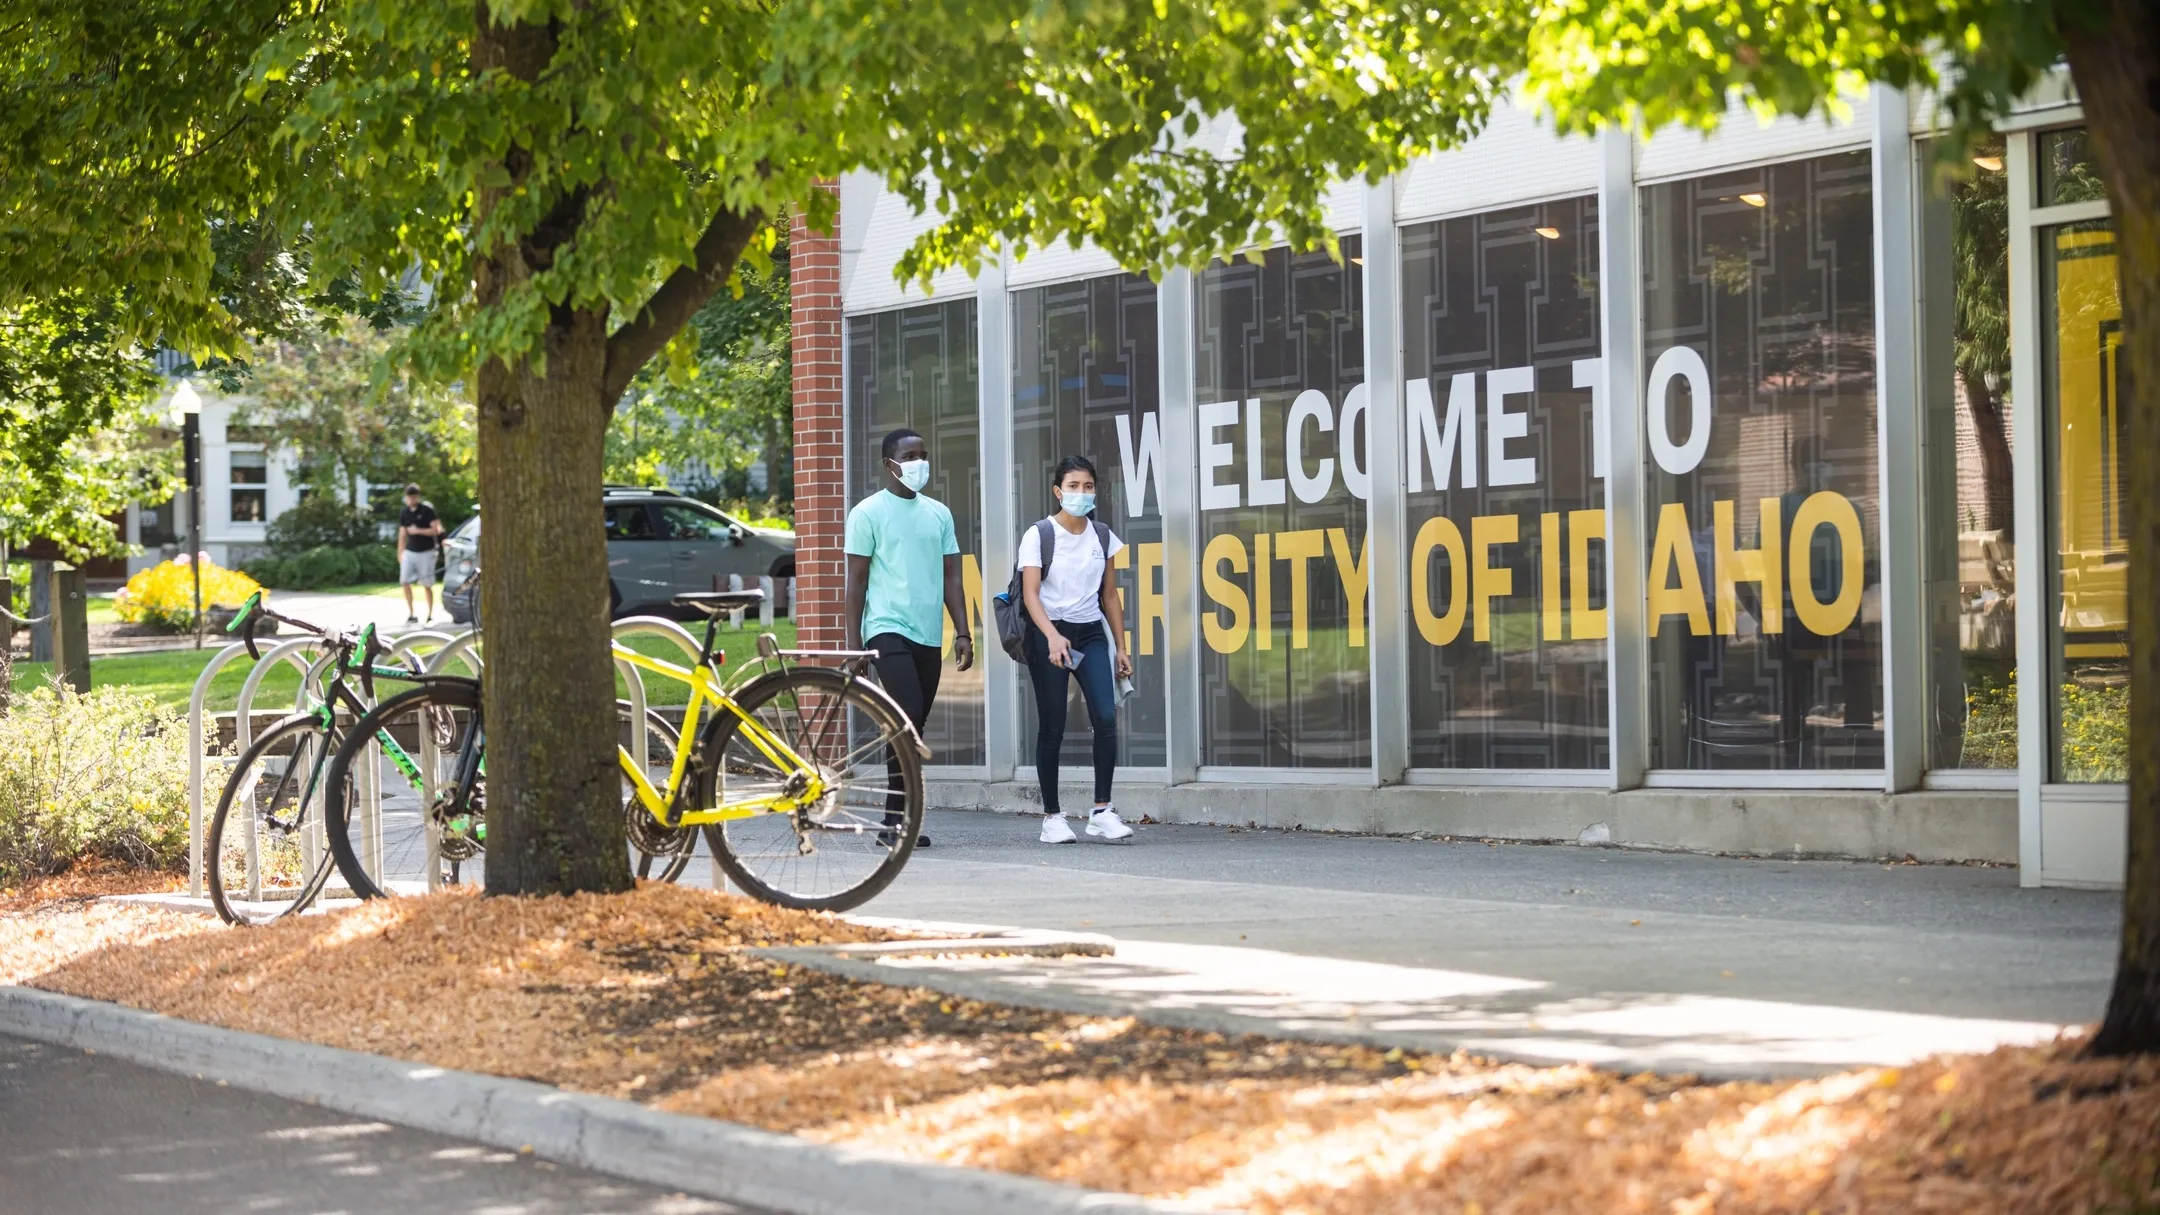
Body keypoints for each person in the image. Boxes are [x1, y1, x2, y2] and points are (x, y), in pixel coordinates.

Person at [844, 428, 974, 849]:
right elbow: (856, 582)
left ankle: (897, 820)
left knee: (911, 724)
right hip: (886, 627)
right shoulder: (867, 513)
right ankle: (894, 820)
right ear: (890, 464)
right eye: (910, 455)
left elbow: (953, 576)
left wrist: (963, 631)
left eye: (923, 454)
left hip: (926, 633)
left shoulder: (938, 514)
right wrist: (854, 643)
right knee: (906, 715)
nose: (920, 462)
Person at [1017, 456, 1134, 844]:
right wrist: (1051, 636)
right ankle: (1052, 817)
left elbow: (1110, 596)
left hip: (1089, 633)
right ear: (1058, 490)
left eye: (1087, 487)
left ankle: (1102, 810)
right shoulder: (1039, 535)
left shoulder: (1102, 535)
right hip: (1048, 634)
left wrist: (1121, 646)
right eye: (1073, 486)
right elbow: (1031, 595)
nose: (1080, 493)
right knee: (1053, 724)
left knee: (1105, 716)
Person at [396, 483, 443, 625]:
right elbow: (402, 533)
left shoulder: (427, 510)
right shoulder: (404, 513)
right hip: (410, 551)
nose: (411, 500)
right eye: (409, 497)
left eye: (414, 497)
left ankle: (429, 615)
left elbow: (436, 530)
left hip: (426, 551)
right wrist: (400, 552)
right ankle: (411, 614)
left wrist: (418, 531)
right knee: (405, 581)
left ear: (418, 497)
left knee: (427, 584)